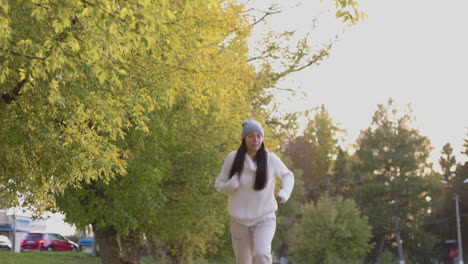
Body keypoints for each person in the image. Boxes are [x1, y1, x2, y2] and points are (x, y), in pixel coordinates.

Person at [215, 119, 294, 264]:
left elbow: (288, 176)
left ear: (262, 138)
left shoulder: (270, 159)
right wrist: (230, 185)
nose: (255, 140)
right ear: (244, 139)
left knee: (261, 254)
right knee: (244, 261)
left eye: (259, 136)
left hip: (264, 218)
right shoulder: (232, 158)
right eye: (251, 136)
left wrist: (284, 193)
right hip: (239, 221)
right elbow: (219, 184)